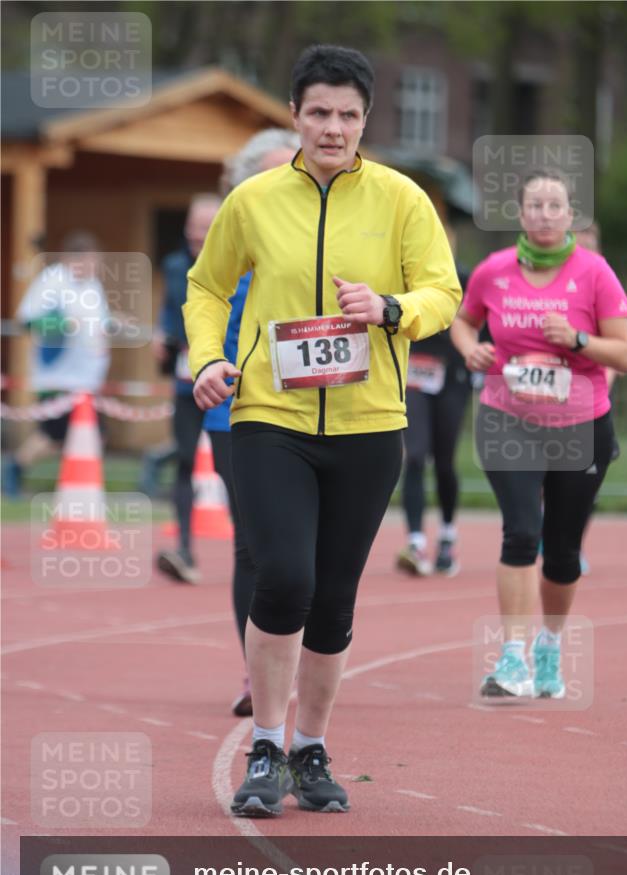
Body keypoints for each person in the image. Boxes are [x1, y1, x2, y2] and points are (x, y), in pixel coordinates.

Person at [185, 43, 461, 816]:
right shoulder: (254, 200)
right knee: (283, 577)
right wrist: (207, 357)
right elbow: (206, 287)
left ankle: (311, 749)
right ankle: (265, 746)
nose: (332, 128)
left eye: (347, 115)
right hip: (270, 415)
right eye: (318, 113)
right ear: (295, 116)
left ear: (364, 119)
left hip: (369, 423)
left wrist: (393, 310)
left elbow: (444, 291)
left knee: (334, 599)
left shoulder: (403, 199)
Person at [451, 169, 627, 699]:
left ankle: (550, 644)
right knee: (520, 532)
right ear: (521, 214)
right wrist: (470, 349)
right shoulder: (494, 270)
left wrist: (578, 339)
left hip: (581, 425)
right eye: (536, 205)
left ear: (570, 214)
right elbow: (464, 320)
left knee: (561, 550)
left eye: (556, 205)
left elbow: (623, 353)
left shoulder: (595, 273)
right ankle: (512, 658)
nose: (546, 214)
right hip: (508, 418)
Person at [203, 128, 301, 717]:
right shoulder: (226, 240)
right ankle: (255, 671)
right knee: (253, 548)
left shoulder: (314, 238)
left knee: (305, 551)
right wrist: (207, 362)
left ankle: (306, 656)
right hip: (233, 408)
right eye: (261, 173)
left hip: (311, 406)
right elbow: (202, 308)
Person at [4, 231, 111, 496]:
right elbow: (28, 321)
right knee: (55, 435)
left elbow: (98, 320)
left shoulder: (92, 285)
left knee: (75, 435)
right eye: (87, 261)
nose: (91, 267)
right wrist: (62, 324)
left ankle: (68, 483)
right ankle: (17, 468)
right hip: (58, 375)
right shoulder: (52, 281)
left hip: (86, 376)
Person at [153, 194, 223, 585]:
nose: (200, 234)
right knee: (184, 459)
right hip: (186, 378)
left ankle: (251, 550)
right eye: (195, 226)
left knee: (231, 465)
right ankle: (183, 548)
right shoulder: (175, 265)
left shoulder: (236, 266)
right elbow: (168, 309)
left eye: (208, 227)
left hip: (227, 381)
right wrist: (160, 335)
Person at [395, 228, 470, 577]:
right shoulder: (402, 277)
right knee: (415, 455)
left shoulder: (465, 279)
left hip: (453, 378)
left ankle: (447, 535)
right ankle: (415, 542)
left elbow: (479, 323)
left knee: (443, 461)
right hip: (414, 378)